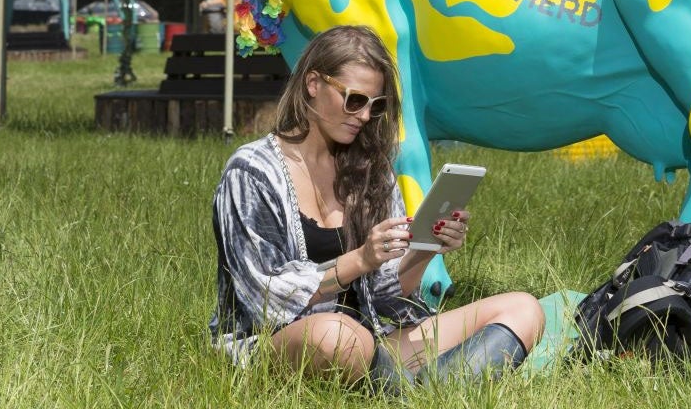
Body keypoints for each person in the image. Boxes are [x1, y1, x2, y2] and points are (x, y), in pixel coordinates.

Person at [209, 25, 545, 391]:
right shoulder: (252, 171)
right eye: (354, 100)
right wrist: (361, 259)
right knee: (337, 337)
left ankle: (419, 393)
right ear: (313, 84)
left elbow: (386, 297)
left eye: (376, 104)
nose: (365, 116)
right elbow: (265, 297)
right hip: (285, 343)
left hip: (375, 341)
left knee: (524, 308)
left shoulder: (371, 167)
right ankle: (428, 388)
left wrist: (424, 250)